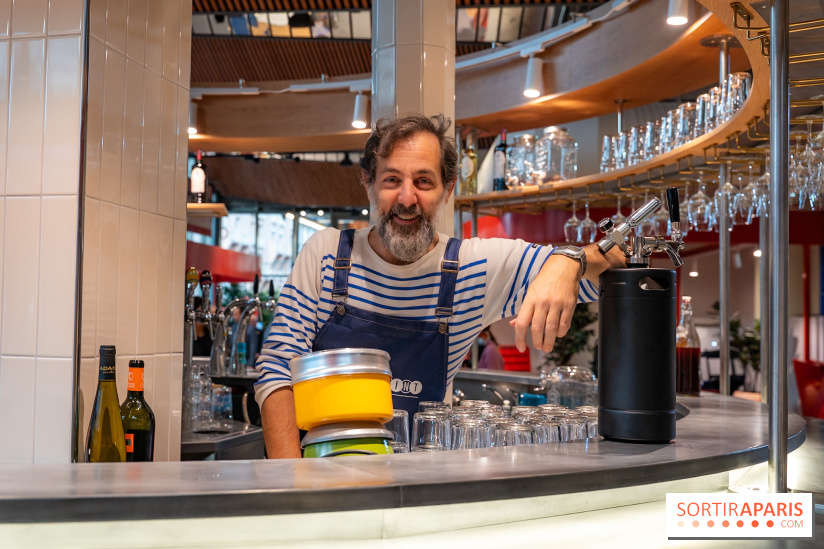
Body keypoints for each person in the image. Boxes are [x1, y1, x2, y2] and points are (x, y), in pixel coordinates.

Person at [255, 114, 626, 458]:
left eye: (423, 181)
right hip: (320, 479)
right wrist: (293, 485)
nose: (406, 198)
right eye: (391, 180)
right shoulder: (327, 254)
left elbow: (615, 260)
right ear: (367, 183)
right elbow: (277, 368)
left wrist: (568, 261)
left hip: (421, 488)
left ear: (447, 190)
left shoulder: (472, 267)